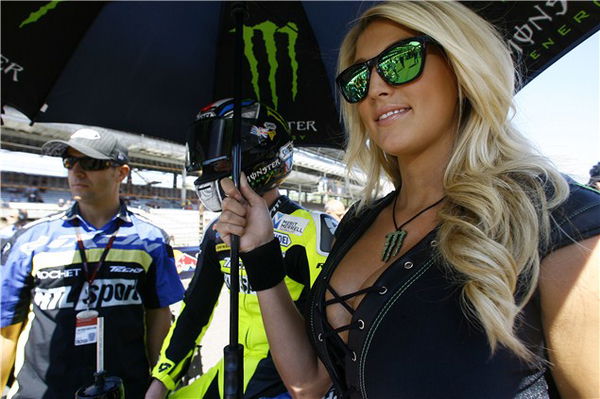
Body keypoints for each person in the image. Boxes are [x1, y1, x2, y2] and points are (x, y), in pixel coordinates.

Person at [214, 2, 600, 398]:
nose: (376, 88)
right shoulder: (360, 220)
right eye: (359, 77)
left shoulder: (562, 225)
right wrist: (261, 252)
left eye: (401, 60)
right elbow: (309, 382)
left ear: (461, 65)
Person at [145, 99, 338, 399]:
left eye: (218, 158)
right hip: (230, 372)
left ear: (259, 154)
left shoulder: (312, 230)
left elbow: (328, 331)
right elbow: (194, 311)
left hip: (286, 383)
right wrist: (161, 381)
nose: (205, 165)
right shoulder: (217, 233)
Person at [0, 128, 185, 398]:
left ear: (121, 173)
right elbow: (7, 329)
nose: (77, 171)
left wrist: (160, 385)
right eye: (69, 162)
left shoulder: (150, 240)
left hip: (127, 389)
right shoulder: (30, 240)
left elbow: (158, 314)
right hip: (42, 392)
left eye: (91, 163)